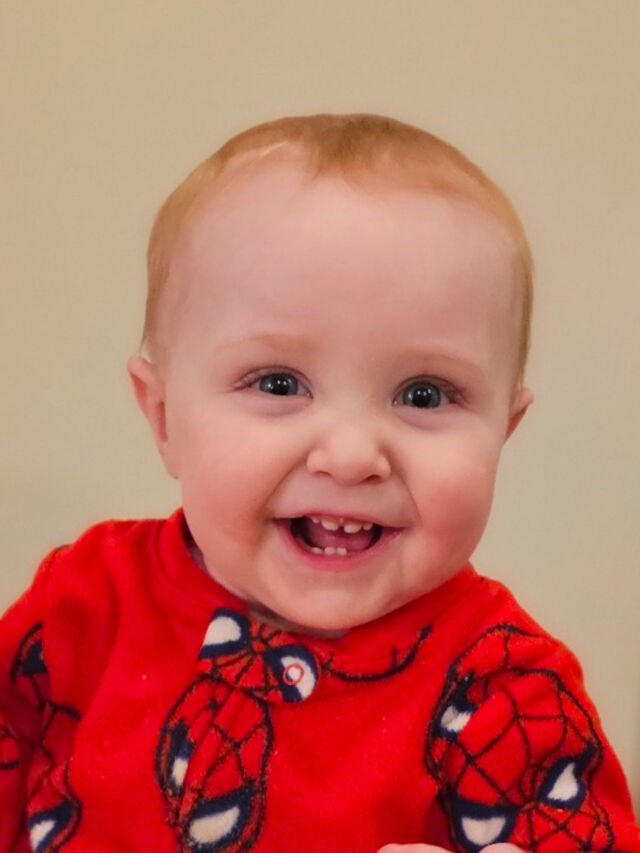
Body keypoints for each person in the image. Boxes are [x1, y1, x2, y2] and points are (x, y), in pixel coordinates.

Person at [1, 114, 638, 853]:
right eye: (278, 383)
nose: (350, 455)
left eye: (424, 394)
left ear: (505, 429)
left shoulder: (509, 690)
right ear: (165, 416)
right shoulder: (86, 604)